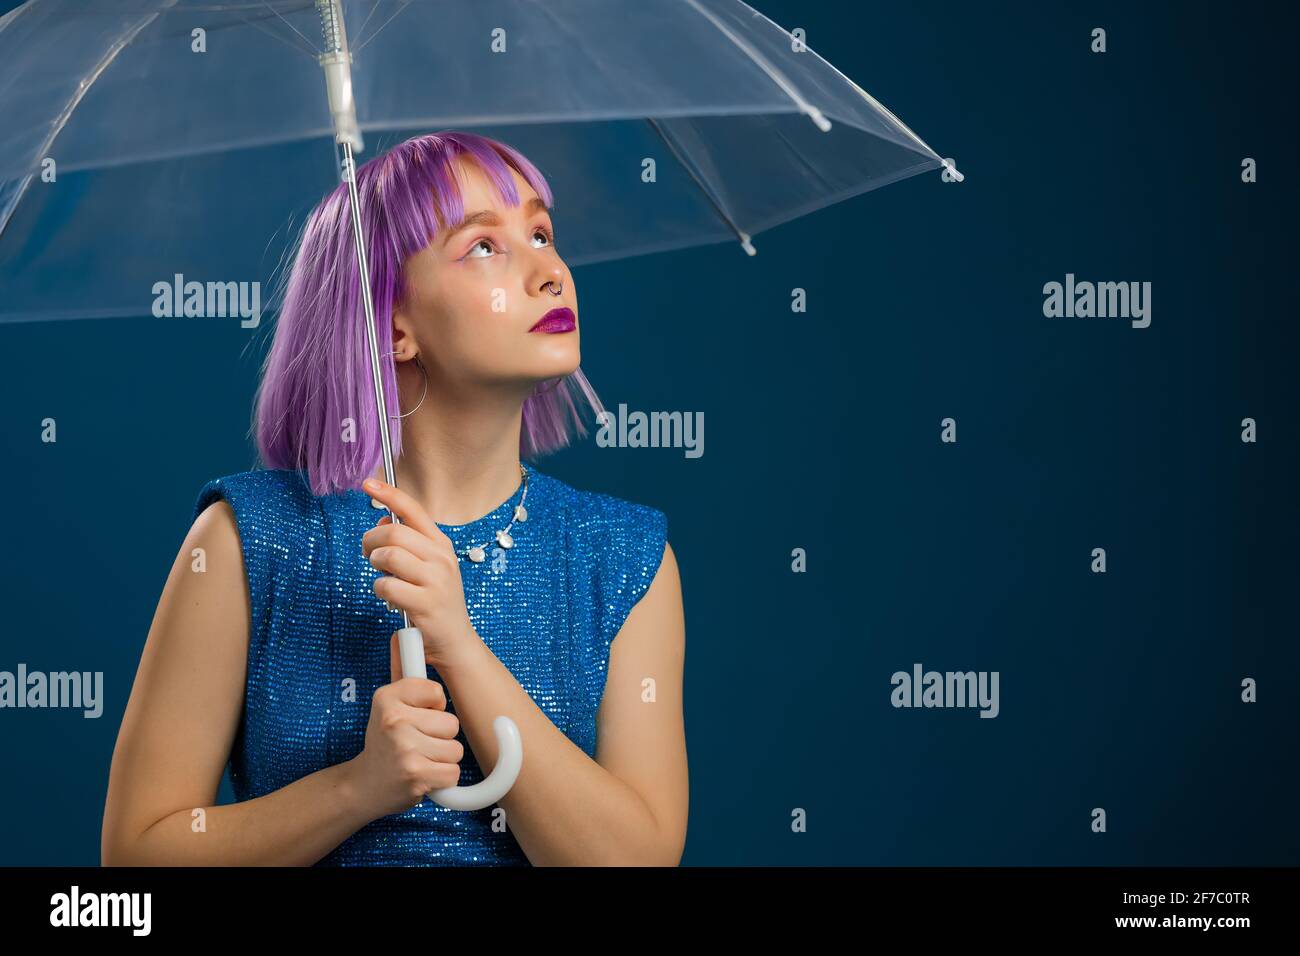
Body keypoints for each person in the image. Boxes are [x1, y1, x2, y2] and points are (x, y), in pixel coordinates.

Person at [101, 131, 688, 866]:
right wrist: (356, 789)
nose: (550, 273)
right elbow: (135, 860)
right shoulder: (248, 540)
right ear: (395, 325)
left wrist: (459, 647)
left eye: (541, 232)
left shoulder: (623, 559)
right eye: (484, 246)